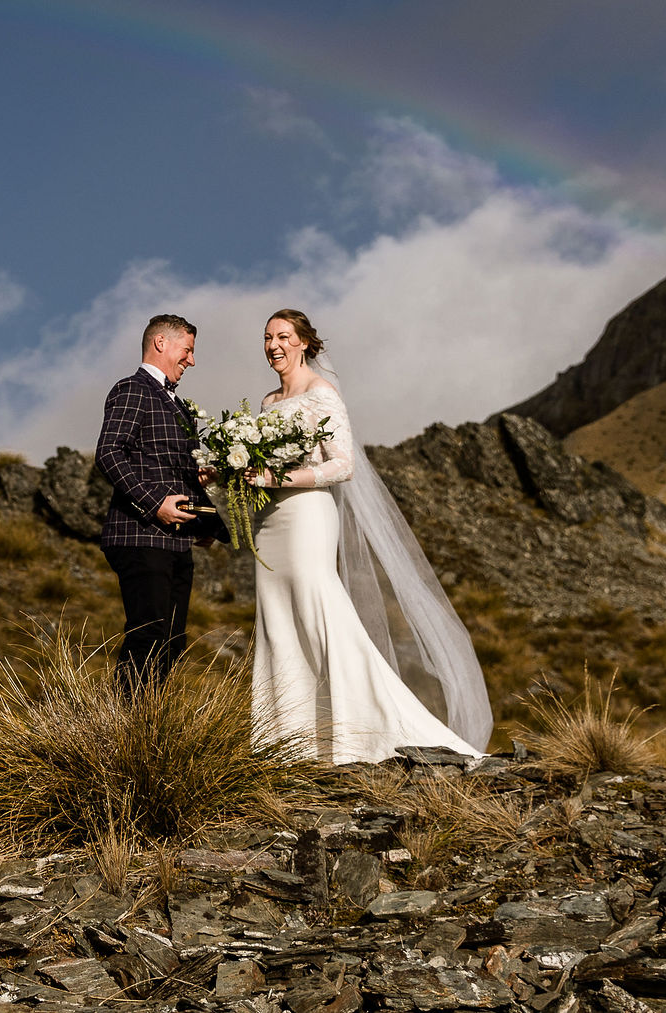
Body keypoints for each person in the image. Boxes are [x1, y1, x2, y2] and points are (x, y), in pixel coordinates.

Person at [246, 308, 493, 763]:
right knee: (276, 618)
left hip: (306, 516)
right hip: (270, 522)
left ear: (303, 343)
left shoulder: (322, 394)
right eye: (267, 337)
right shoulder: (265, 403)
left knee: (317, 609)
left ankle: (363, 727)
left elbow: (343, 465)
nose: (273, 345)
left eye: (283, 336)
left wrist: (280, 478)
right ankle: (287, 740)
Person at [95, 313, 228, 690]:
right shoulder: (131, 389)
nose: (192, 360)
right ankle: (122, 727)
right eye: (187, 350)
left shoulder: (179, 406)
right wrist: (155, 504)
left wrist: (206, 524)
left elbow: (175, 474)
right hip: (138, 536)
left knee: (172, 642)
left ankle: (147, 722)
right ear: (161, 344)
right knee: (148, 633)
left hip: (176, 541)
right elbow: (108, 453)